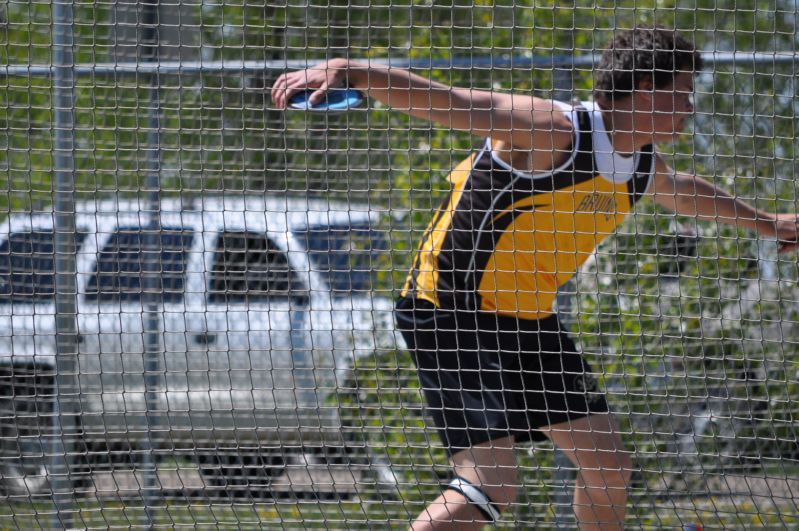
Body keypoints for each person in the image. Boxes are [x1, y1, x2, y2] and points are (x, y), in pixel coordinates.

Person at [272, 26, 799, 530]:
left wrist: (767, 223)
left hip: (528, 318)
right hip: (454, 310)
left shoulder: (640, 164)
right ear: (645, 90)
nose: (690, 107)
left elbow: (683, 190)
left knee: (610, 465)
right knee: (490, 486)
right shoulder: (552, 129)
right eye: (683, 92)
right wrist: (351, 71)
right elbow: (455, 104)